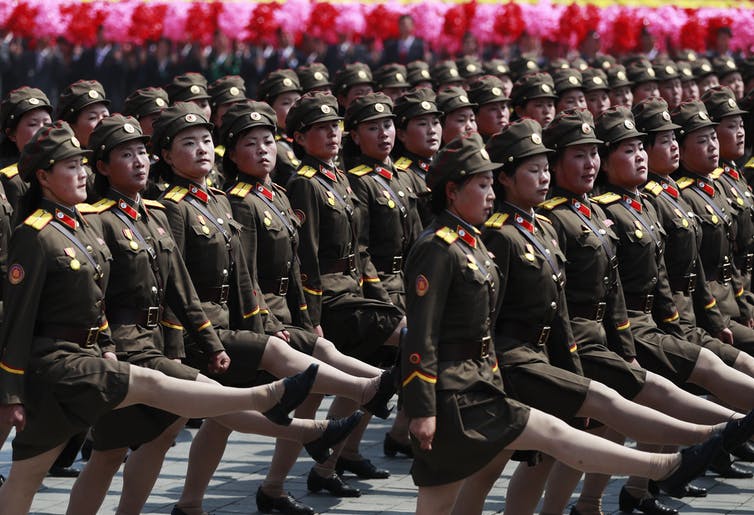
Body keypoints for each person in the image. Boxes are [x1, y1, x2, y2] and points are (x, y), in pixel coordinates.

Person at [0, 120, 322, 515]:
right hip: (55, 365)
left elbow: (98, 302)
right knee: (32, 471)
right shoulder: (34, 235)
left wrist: (105, 345)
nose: (81, 173)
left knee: (51, 467)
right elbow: (17, 322)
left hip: (90, 360)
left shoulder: (81, 227)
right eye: (70, 166)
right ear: (43, 177)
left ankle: (291, 415)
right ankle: (268, 399)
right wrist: (10, 395)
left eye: (81, 164)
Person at [401, 131, 722, 515]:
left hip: (480, 382)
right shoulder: (437, 248)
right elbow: (421, 335)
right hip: (453, 392)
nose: (490, 194)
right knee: (530, 448)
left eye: (490, 184)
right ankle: (680, 455)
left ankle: (687, 450)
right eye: (482, 185)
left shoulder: (471, 242)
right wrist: (422, 409)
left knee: (476, 480)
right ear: (452, 192)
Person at [478, 117, 754, 515]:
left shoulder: (571, 216)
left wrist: (618, 348)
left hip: (580, 342)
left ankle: (599, 500)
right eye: (580, 156)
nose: (590, 163)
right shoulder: (527, 227)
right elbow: (493, 314)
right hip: (543, 351)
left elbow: (615, 289)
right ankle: (720, 432)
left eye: (594, 154)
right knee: (522, 454)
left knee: (564, 440)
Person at [144, 103, 395, 514]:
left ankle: (209, 500)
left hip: (248, 320)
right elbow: (177, 283)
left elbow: (273, 271)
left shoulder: (240, 198)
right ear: (168, 157)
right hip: (203, 331)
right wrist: (204, 338)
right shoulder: (179, 206)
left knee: (219, 420)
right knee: (169, 433)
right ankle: (372, 388)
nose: (202, 149)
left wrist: (300, 319)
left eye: (205, 140)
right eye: (189, 143)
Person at [221, 99, 390, 515]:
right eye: (251, 144)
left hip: (294, 311)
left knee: (236, 414)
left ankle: (278, 485)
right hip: (268, 316)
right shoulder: (244, 200)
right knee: (220, 418)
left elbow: (296, 267)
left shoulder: (279, 193)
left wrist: (307, 318)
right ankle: (382, 385)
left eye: (268, 141)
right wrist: (265, 324)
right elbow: (247, 275)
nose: (263, 151)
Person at [285, 93, 407, 496]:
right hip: (331, 301)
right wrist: (311, 316)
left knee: (345, 388)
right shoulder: (304, 184)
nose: (331, 134)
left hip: (353, 291)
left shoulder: (336, 178)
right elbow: (306, 257)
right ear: (299, 138)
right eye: (321, 129)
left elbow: (360, 249)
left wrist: (377, 293)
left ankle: (323, 469)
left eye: (334, 126)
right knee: (410, 342)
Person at [392, 88, 442, 228]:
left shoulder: (448, 165)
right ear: (402, 134)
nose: (432, 130)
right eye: (422, 124)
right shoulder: (402, 176)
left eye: (435, 122)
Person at [57, 79, 111, 203]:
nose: (103, 123)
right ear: (71, 127)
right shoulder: (72, 171)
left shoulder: (117, 158)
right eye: (92, 118)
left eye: (105, 116)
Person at [0, 87, 53, 210]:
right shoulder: (10, 181)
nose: (43, 130)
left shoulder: (65, 166)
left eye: (47, 124)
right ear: (11, 134)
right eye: (33, 124)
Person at [258, 70, 303, 188]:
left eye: (297, 101)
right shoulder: (271, 146)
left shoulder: (311, 138)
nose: (294, 108)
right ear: (269, 109)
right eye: (286, 103)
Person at [467, 76, 511, 141]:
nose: (501, 114)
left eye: (503, 107)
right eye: (493, 109)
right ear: (475, 116)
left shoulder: (517, 141)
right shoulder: (470, 145)